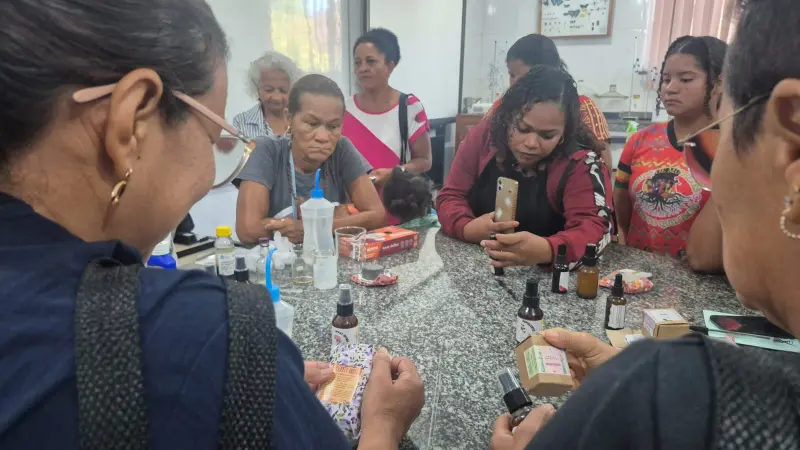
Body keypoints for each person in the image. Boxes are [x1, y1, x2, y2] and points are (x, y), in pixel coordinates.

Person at [0, 0, 422, 448]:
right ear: (130, 122)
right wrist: (383, 423)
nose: (208, 175)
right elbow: (247, 228)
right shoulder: (202, 335)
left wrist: (243, 383)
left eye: (333, 126)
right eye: (210, 136)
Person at [489, 1, 800, 448]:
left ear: (788, 146)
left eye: (719, 131)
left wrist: (645, 386)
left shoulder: (691, 399)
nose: (705, 161)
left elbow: (602, 225)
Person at [436, 66, 614, 266]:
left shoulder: (580, 162)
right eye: (522, 129)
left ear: (565, 132)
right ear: (508, 118)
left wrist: (548, 250)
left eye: (547, 135)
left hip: (547, 281)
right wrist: (467, 227)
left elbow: (595, 228)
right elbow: (450, 196)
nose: (531, 143)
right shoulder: (484, 138)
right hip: (475, 266)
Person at [614, 36, 726, 271]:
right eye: (666, 79)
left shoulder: (729, 146)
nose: (670, 88)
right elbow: (622, 207)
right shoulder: (640, 141)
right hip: (639, 272)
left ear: (718, 83)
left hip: (704, 280)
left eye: (686, 79)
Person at [235, 74, 387, 245]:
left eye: (333, 126)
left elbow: (377, 214)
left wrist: (312, 228)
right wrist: (342, 222)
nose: (323, 137)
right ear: (289, 119)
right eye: (312, 124)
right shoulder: (266, 150)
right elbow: (248, 230)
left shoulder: (342, 149)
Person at [486, 34, 613, 169]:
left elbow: (604, 165)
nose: (514, 84)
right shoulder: (501, 107)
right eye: (511, 75)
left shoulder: (583, 107)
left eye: (547, 134)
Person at [343, 28, 433, 188]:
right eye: (358, 63)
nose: (363, 68)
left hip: (398, 203)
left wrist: (395, 172)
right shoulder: (344, 109)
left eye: (371, 61)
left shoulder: (410, 107)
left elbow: (425, 161)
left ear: (390, 66)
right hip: (354, 207)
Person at [232, 51, 302, 137]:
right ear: (256, 88)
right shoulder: (241, 122)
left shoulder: (302, 120)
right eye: (269, 90)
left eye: (283, 90)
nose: (277, 98)